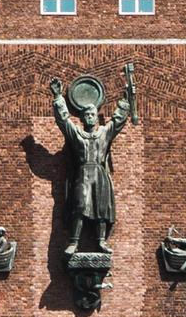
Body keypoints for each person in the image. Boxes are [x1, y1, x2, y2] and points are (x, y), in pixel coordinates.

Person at [51, 65, 137, 257]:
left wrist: (125, 100)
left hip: (99, 173)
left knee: (101, 206)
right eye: (86, 115)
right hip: (83, 173)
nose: (90, 117)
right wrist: (58, 98)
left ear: (96, 118)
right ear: (82, 118)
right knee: (80, 204)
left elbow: (117, 121)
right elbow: (64, 121)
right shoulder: (78, 134)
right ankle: (74, 242)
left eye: (92, 115)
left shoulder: (104, 133)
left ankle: (101, 241)